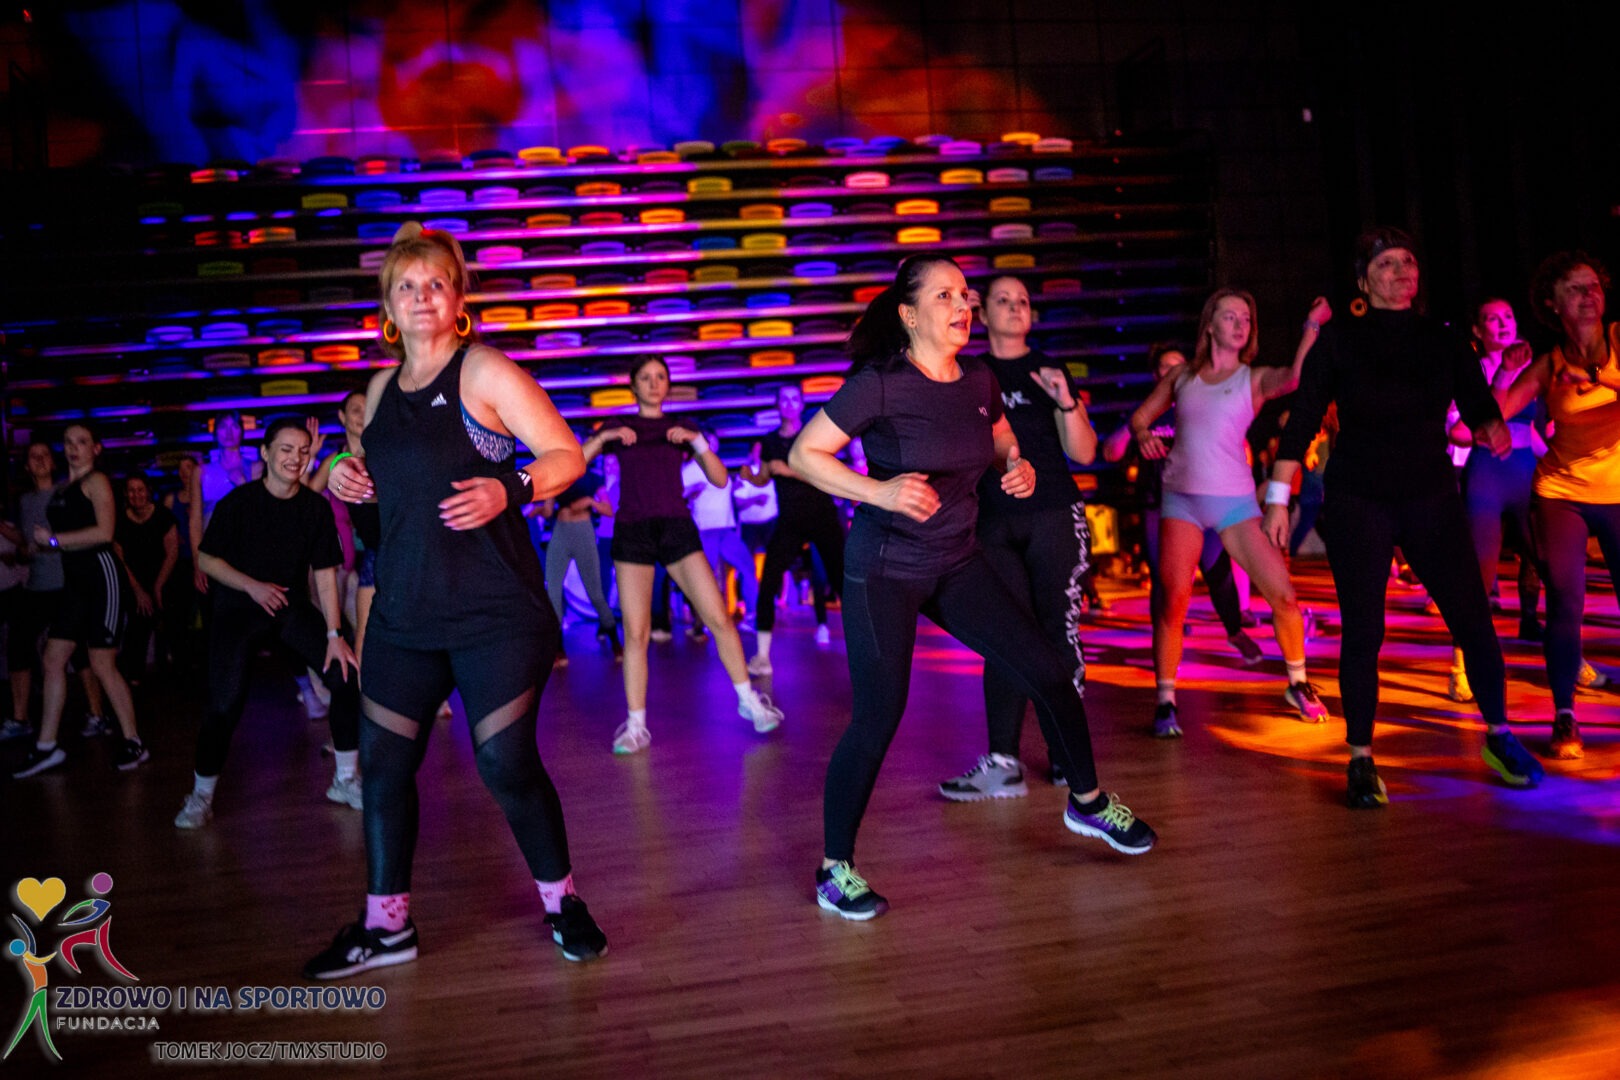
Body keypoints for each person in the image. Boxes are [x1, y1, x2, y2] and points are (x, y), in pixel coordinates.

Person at [790, 254, 1157, 920]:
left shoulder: (980, 379)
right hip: (885, 568)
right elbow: (803, 454)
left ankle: (1088, 801)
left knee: (1047, 670)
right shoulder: (879, 384)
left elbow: (1001, 436)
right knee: (879, 716)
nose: (963, 306)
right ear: (909, 315)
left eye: (966, 295)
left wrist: (1015, 463)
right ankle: (833, 868)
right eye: (945, 296)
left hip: (956, 560)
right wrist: (878, 491)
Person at [306, 222, 606, 977]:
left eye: (436, 284)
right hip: (406, 612)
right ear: (387, 305)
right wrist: (344, 470)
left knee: (504, 762)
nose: (421, 298)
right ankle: (387, 928)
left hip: (494, 613)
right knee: (382, 766)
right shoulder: (381, 389)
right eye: (406, 287)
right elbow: (380, 474)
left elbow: (566, 455)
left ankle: (563, 902)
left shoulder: (483, 372)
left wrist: (510, 487)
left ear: (458, 299)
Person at [1261, 227, 1542, 807]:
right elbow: (1304, 418)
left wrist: (1492, 427)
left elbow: (1478, 406)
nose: (1400, 271)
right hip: (1358, 499)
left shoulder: (1443, 339)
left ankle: (1499, 735)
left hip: (1430, 497)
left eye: (1407, 261)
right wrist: (1277, 499)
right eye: (1386, 263)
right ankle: (1361, 758)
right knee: (1365, 630)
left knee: (1474, 620)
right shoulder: (1339, 340)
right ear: (1363, 281)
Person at [1130, 289, 1331, 737]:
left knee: (1284, 597)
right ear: (1210, 325)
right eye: (1230, 317)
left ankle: (1298, 683)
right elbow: (1140, 418)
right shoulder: (1182, 376)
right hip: (1181, 502)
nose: (1240, 325)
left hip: (1236, 505)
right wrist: (1144, 435)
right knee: (1173, 604)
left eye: (1246, 318)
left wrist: (1311, 326)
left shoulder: (1253, 380)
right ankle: (1166, 701)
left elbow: (1296, 376)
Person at [936, 274, 1101, 799]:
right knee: (1004, 636)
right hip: (992, 522)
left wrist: (1066, 401)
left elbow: (1085, 452)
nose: (1014, 307)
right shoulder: (966, 372)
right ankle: (1003, 764)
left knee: (1058, 632)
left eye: (1022, 301)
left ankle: (1066, 757)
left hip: (1053, 516)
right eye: (1002, 300)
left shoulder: (1050, 371)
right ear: (983, 312)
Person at [582, 355, 785, 754]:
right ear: (633, 385)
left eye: (660, 376)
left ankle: (749, 701)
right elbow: (576, 464)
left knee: (719, 618)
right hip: (633, 532)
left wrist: (697, 442)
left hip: (677, 528)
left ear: (668, 384)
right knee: (636, 633)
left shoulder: (682, 427)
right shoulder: (618, 425)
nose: (653, 383)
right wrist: (603, 439)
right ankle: (636, 726)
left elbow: (721, 479)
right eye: (645, 377)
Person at [172, 417, 361, 828]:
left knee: (345, 675)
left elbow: (325, 572)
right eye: (286, 449)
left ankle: (346, 779)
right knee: (224, 703)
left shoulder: (314, 508)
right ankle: (201, 795)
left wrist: (334, 634)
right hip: (238, 609)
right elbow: (206, 559)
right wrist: (252, 586)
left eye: (303, 451)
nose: (295, 458)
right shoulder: (239, 503)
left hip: (289, 607)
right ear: (265, 453)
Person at [1492, 251, 1620, 759]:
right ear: (1553, 304)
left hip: (1617, 491)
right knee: (1566, 601)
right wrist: (1506, 373)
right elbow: (1497, 413)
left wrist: (1602, 378)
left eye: (1594, 286)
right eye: (1574, 289)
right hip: (1561, 493)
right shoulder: (1548, 364)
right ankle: (1565, 714)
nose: (1588, 296)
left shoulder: (1619, 340)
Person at [1102, 345, 1260, 664]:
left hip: (1201, 501)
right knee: (1163, 575)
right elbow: (1110, 453)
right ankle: (1165, 634)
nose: (1172, 371)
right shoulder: (1145, 411)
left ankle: (1235, 631)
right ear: (1156, 374)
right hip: (1157, 504)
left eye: (1179, 364)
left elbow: (1241, 448)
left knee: (1217, 568)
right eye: (1165, 366)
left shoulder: (1203, 405)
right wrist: (1134, 429)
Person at [13, 425, 148, 777]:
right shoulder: (62, 489)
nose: (74, 448)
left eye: (82, 442)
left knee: (102, 663)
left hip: (102, 577)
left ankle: (134, 741)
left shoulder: (96, 481)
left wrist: (54, 541)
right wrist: (40, 545)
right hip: (75, 582)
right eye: (68, 442)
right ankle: (46, 746)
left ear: (96, 448)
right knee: (53, 657)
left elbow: (104, 532)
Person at [1443, 299, 1545, 702]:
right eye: (1491, 319)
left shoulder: (1533, 367)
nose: (1502, 324)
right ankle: (1460, 664)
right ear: (1477, 331)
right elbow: (1456, 431)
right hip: (1487, 476)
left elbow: (1535, 429)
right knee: (1479, 578)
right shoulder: (1472, 370)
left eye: (1508, 317)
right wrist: (1482, 431)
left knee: (1554, 567)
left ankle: (1571, 657)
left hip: (1527, 474)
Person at [744, 384, 847, 672]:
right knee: (768, 582)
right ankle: (762, 656)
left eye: (794, 399)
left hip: (823, 516)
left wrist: (786, 469)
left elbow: (826, 475)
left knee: (842, 582)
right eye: (784, 399)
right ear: (777, 405)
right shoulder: (769, 442)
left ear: (801, 404)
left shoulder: (815, 434)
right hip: (790, 520)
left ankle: (865, 652)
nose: (789, 403)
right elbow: (766, 477)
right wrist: (751, 476)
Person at [540, 461, 622, 663]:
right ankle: (558, 648)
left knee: (595, 593)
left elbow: (608, 510)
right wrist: (541, 506)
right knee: (553, 590)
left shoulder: (593, 478)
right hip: (560, 532)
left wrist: (590, 502)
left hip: (583, 532)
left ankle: (615, 641)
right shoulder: (557, 478)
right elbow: (548, 511)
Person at [680, 426, 759, 631]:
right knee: (708, 580)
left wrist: (735, 487)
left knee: (747, 567)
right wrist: (691, 491)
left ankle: (751, 617)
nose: (713, 444)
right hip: (706, 531)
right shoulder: (691, 468)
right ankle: (708, 622)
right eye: (709, 441)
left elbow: (722, 494)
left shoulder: (719, 465)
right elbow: (679, 495)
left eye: (715, 441)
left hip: (726, 529)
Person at [112, 474, 179, 685]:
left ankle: (175, 671)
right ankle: (134, 674)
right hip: (134, 582)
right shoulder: (119, 520)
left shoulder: (163, 516)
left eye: (140, 489)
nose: (136, 495)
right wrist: (138, 590)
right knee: (138, 623)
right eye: (131, 490)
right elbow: (119, 559)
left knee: (171, 623)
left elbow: (172, 552)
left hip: (164, 576)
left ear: (148, 491)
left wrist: (158, 586)